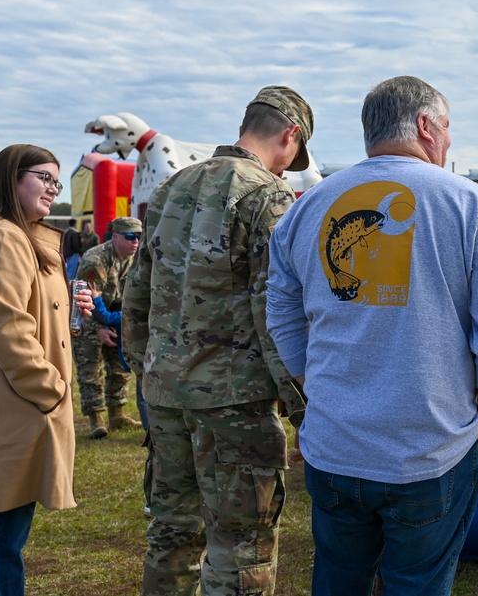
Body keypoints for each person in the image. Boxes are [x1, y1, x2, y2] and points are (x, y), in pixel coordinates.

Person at [266, 75, 478, 596]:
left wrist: (314, 390)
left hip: (334, 446)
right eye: (448, 128)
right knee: (418, 584)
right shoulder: (469, 204)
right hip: (429, 449)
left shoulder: (306, 207)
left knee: (338, 578)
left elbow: (283, 316)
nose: (450, 141)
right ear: (427, 126)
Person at [123, 85, 310, 595]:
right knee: (241, 545)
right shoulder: (267, 195)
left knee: (171, 533)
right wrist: (305, 412)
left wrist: (148, 374)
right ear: (290, 135)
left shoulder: (170, 189)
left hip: (166, 396)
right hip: (235, 404)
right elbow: (275, 313)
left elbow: (136, 293)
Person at [0, 144, 92, 595]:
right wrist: (51, 389)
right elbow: (7, 328)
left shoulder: (18, 235)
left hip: (11, 400)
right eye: (43, 177)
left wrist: (72, 312)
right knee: (1, 529)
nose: (52, 188)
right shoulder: (3, 237)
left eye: (56, 181)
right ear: (12, 178)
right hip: (9, 403)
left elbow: (31, 314)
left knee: (6, 527)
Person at [74, 216, 143, 439]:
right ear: (115, 237)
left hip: (113, 316)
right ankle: (96, 419)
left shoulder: (135, 259)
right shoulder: (95, 261)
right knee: (91, 369)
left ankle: (117, 414)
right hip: (87, 318)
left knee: (120, 368)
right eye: (130, 237)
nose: (136, 242)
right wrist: (97, 329)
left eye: (139, 237)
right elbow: (83, 299)